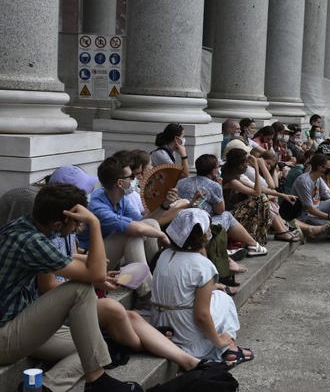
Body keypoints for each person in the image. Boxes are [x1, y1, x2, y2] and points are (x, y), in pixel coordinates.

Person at [0, 184, 142, 392]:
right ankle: (97, 381)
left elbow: (73, 264)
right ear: (58, 223)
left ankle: (46, 387)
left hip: (18, 320)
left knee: (91, 348)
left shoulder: (24, 227)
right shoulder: (31, 242)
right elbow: (96, 274)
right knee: (79, 289)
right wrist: (94, 223)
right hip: (5, 336)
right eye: (77, 222)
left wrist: (87, 264)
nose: (78, 227)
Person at [151, 209, 254, 366]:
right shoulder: (202, 265)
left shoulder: (164, 255)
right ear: (202, 236)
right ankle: (228, 347)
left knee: (216, 294)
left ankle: (229, 349)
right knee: (223, 298)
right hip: (184, 332)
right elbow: (201, 316)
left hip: (161, 325)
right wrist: (218, 341)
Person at [78, 156, 173, 305]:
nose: (135, 179)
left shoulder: (121, 198)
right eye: (132, 177)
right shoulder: (98, 206)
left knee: (151, 223)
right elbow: (136, 229)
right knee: (130, 234)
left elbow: (142, 223)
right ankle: (148, 295)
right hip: (91, 261)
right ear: (120, 183)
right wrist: (161, 234)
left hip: (111, 256)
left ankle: (160, 276)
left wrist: (164, 205)